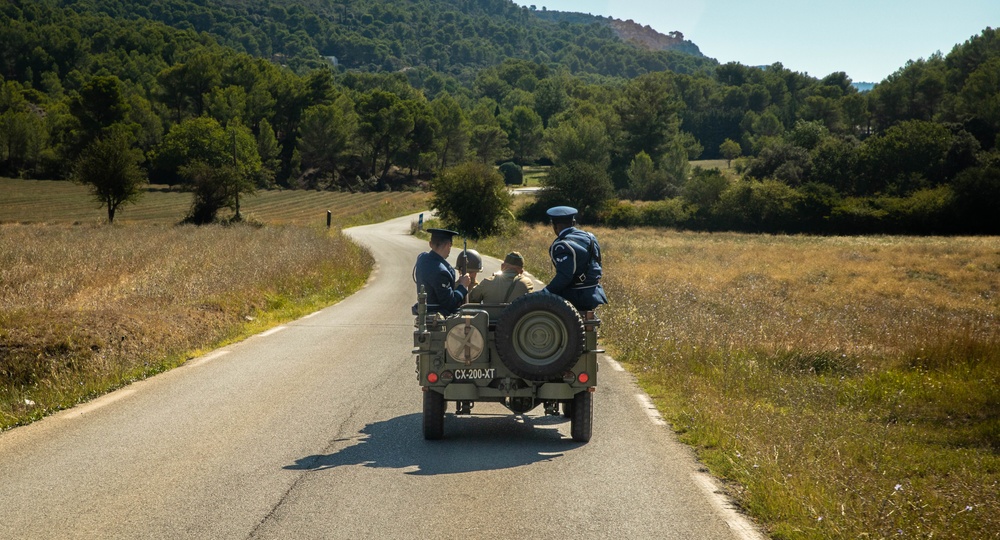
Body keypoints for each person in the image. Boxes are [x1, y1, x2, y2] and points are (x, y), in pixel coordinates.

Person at [542, 206, 607, 311]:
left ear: (554, 226)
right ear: (573, 223)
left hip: (574, 295)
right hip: (594, 292)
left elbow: (564, 276)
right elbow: (598, 262)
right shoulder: (590, 237)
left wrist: (545, 292)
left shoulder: (561, 245)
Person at [413, 228, 470, 316]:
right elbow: (450, 304)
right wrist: (463, 286)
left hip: (424, 311)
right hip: (437, 317)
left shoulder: (422, 258)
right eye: (450, 246)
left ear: (430, 244)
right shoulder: (441, 271)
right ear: (448, 245)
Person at [467, 251, 534, 304]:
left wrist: (472, 283)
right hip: (515, 321)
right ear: (521, 271)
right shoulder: (527, 284)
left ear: (502, 267)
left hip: (489, 321)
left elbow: (471, 300)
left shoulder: (487, 282)